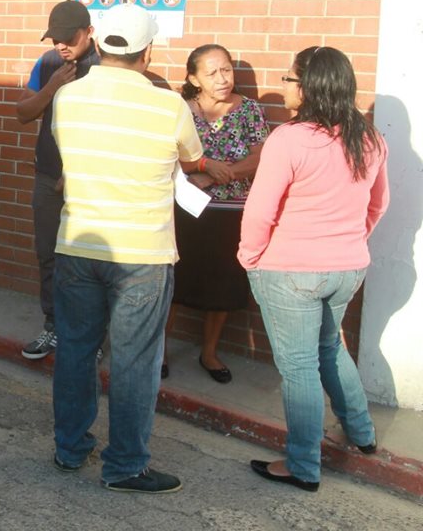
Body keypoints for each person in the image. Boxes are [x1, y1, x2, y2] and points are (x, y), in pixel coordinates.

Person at [50, 3, 203, 494]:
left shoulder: (67, 98)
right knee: (135, 361)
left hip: (78, 245)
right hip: (144, 254)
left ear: (97, 44)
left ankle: (70, 449)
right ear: (148, 51)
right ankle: (125, 466)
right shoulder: (170, 105)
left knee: (76, 351)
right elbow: (192, 157)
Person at [240, 46, 388, 492]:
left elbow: (260, 209)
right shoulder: (370, 138)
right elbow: (378, 204)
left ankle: (303, 465)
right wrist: (350, 242)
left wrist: (250, 257)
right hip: (347, 268)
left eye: (289, 78)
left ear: (309, 85)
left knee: (300, 367)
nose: (285, 86)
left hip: (290, 271)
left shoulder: (289, 139)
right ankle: (361, 433)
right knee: (330, 348)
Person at [165, 44, 267, 383]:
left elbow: (260, 157)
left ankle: (209, 352)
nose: (222, 79)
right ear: (194, 78)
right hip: (186, 210)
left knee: (223, 284)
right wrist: (206, 164)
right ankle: (159, 348)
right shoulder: (180, 109)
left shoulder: (249, 109)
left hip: (230, 213)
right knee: (175, 280)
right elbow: (171, 154)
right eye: (211, 73)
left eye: (226, 70)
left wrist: (219, 174)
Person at [16, 1, 100, 359]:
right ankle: (53, 327)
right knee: (48, 254)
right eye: (55, 39)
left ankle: (91, 337)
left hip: (90, 182)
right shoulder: (48, 63)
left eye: (70, 38)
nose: (62, 45)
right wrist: (50, 88)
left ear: (89, 33)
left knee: (90, 263)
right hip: (48, 177)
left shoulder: (108, 67)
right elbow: (22, 113)